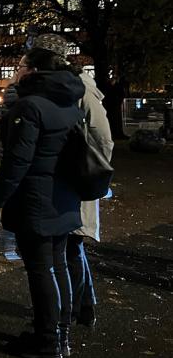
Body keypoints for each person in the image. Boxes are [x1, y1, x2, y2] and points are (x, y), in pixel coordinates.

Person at [0, 47, 85, 358]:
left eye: (20, 65)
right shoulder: (68, 100)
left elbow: (17, 162)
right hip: (64, 198)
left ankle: (47, 341)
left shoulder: (30, 106)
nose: (16, 70)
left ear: (33, 71)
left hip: (36, 202)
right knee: (59, 265)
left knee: (41, 269)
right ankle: (61, 336)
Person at [33, 34, 113, 329]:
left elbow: (102, 137)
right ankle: (78, 306)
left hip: (76, 180)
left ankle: (79, 308)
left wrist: (93, 175)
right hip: (66, 180)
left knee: (71, 245)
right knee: (68, 245)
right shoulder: (62, 85)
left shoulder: (79, 88)